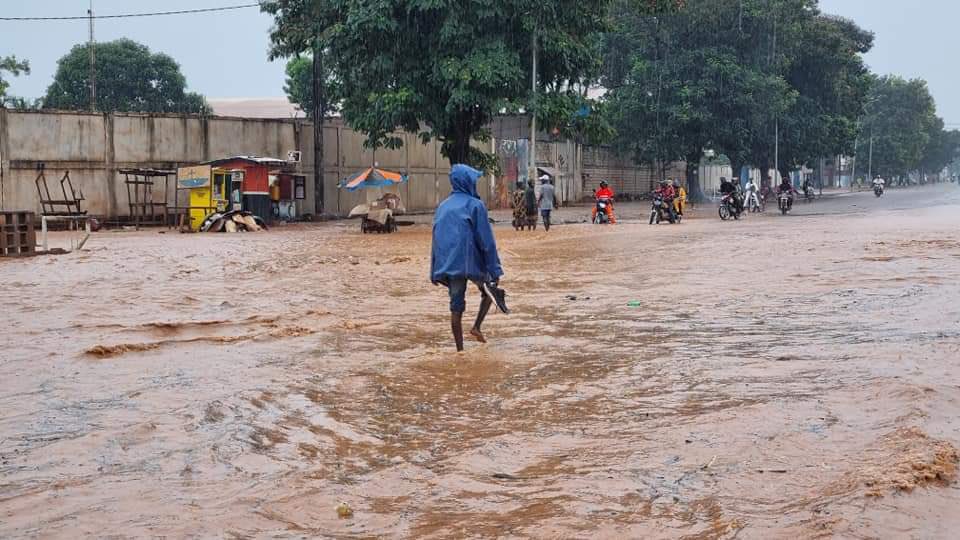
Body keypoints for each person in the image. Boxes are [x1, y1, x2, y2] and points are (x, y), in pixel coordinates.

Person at [431, 165, 506, 352]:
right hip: (472, 261)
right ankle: (477, 326)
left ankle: (460, 351)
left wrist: (434, 270)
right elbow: (486, 241)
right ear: (468, 182)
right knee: (490, 290)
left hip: (450, 264)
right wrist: (495, 269)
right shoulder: (475, 205)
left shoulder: (443, 206)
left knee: (456, 307)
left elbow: (435, 240)